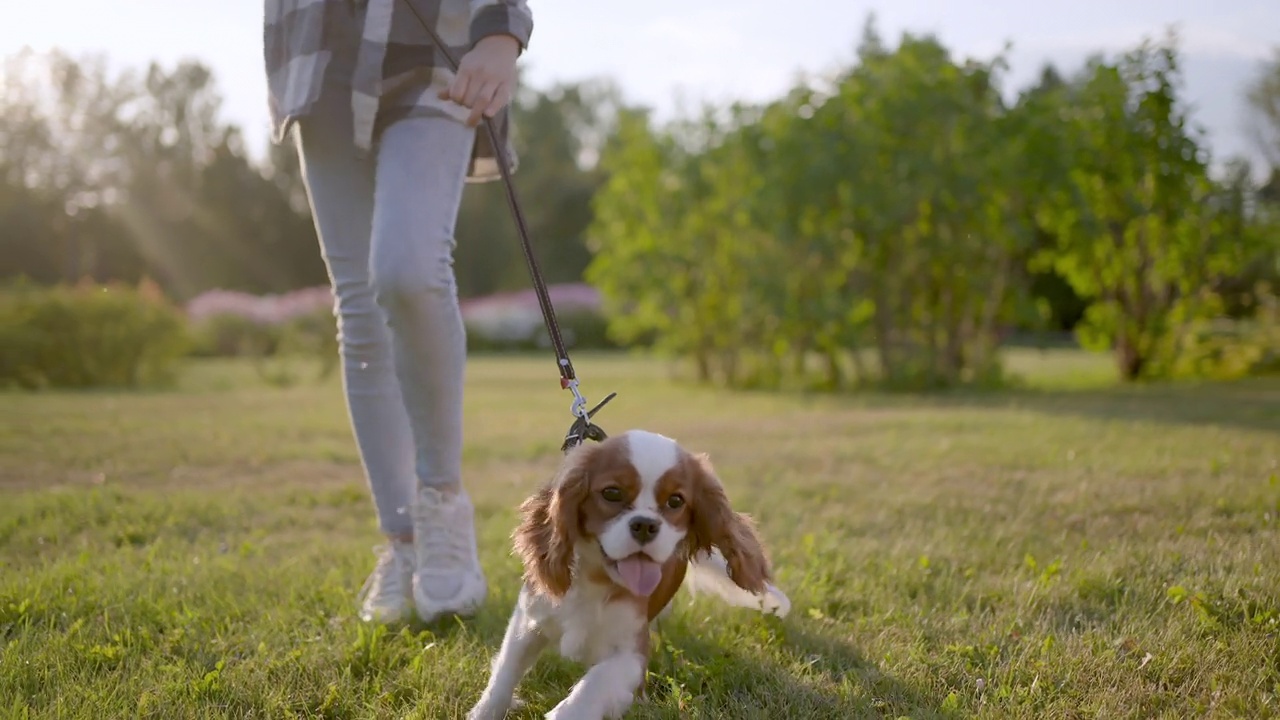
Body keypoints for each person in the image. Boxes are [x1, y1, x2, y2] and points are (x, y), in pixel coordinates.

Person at [262, 0, 533, 624]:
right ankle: (404, 540)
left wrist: (503, 31)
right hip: (320, 55)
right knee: (359, 306)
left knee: (408, 270)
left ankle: (442, 506)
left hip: (440, 43)